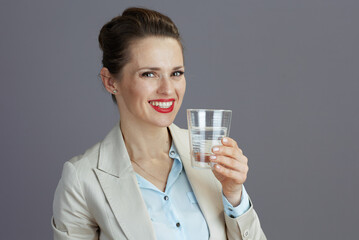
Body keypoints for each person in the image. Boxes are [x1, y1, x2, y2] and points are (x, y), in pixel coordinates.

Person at [52, 7, 266, 240]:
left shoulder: (208, 155)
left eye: (176, 73)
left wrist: (234, 194)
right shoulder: (83, 179)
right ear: (110, 81)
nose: (167, 90)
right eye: (149, 74)